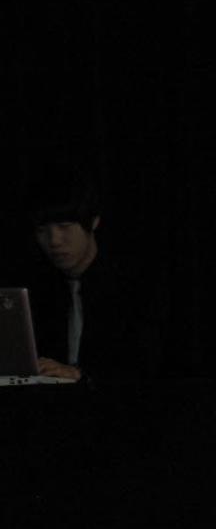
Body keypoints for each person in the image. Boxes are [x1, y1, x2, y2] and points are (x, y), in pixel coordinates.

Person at [24, 163, 159, 384]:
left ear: (94, 222)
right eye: (42, 230)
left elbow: (144, 366)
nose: (54, 241)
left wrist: (81, 375)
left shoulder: (132, 285)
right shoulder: (39, 287)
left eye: (65, 226)